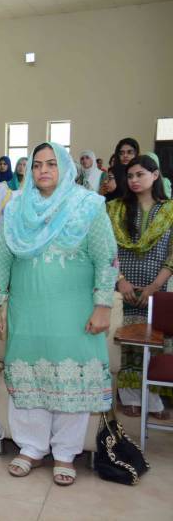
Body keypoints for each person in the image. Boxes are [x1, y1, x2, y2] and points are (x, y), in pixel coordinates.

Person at [0, 142, 117, 486]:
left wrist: (104, 306)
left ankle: (65, 453)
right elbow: (1, 259)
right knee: (30, 379)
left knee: (70, 381)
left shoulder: (87, 206)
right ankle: (30, 447)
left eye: (52, 164)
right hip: (28, 310)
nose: (43, 170)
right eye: (38, 164)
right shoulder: (16, 210)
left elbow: (106, 258)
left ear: (66, 169)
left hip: (74, 312)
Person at [107, 155, 172, 419]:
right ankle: (129, 395)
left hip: (157, 286)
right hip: (123, 285)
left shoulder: (169, 210)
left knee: (155, 341)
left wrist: (155, 286)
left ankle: (154, 398)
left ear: (155, 175)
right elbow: (108, 248)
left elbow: (172, 253)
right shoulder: (115, 209)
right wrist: (120, 279)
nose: (134, 180)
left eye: (140, 175)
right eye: (130, 176)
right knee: (127, 339)